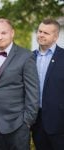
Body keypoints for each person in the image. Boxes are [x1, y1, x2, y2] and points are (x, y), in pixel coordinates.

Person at [0, 18, 39, 150]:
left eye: (4, 33)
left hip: (18, 124)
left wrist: (27, 121)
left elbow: (33, 91)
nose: (0, 37)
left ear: (12, 33)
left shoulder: (26, 56)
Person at [31, 19, 64, 150]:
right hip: (37, 123)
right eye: (40, 31)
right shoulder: (29, 57)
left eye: (46, 33)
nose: (41, 35)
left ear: (55, 37)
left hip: (60, 124)